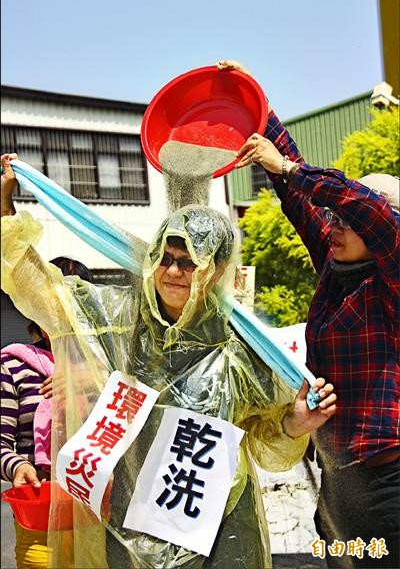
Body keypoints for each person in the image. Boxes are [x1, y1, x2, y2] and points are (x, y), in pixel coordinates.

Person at [1, 152, 336, 569]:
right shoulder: (121, 320)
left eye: (189, 261)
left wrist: (296, 424)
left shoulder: (237, 344)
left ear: (214, 271)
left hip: (221, 531)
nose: (174, 271)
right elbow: (45, 293)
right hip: (131, 522)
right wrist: (5, 212)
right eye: (166, 257)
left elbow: (268, 438)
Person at [218, 59, 400, 569]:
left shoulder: (392, 279)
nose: (335, 224)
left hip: (388, 485)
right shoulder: (337, 262)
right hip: (335, 483)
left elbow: (368, 208)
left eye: (347, 218)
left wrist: (292, 169)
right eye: (334, 218)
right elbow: (296, 193)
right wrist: (255, 105)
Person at [1, 255, 94, 569]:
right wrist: (16, 468)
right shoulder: (13, 366)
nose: (61, 314)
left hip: (99, 519)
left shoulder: (108, 369)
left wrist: (91, 384)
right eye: (50, 303)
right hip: (40, 516)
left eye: (72, 302)